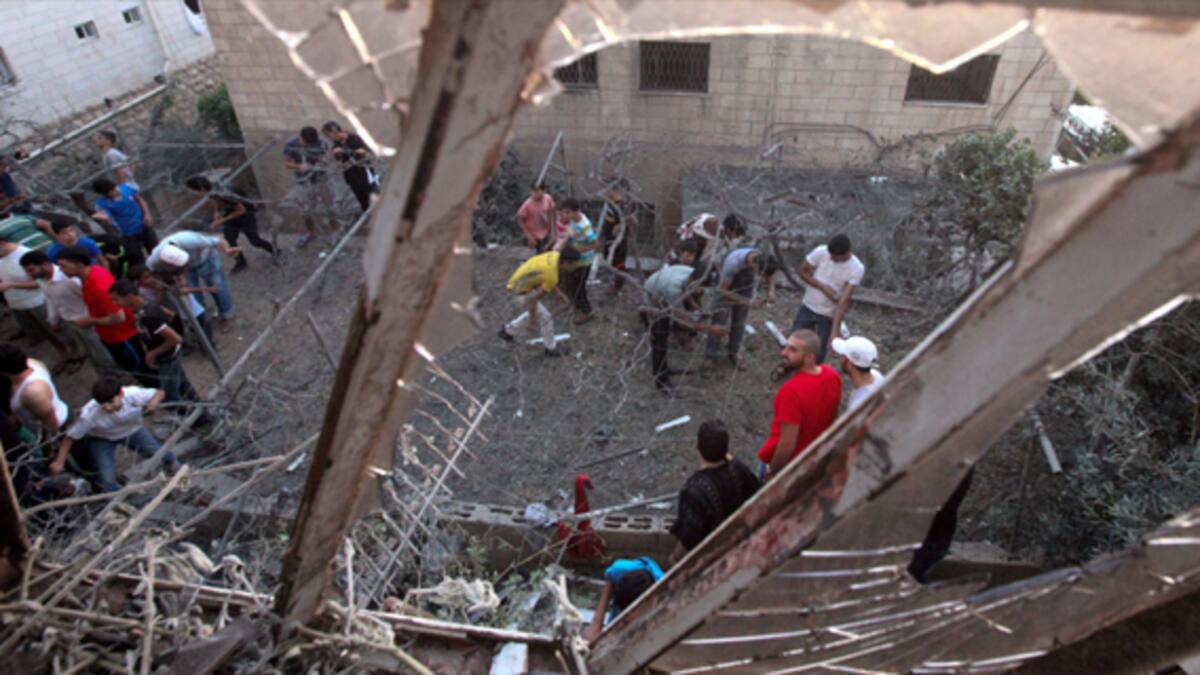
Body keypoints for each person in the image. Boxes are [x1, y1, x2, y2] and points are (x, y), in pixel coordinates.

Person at [53, 379, 177, 492]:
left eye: (111, 402)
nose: (107, 407)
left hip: (133, 431)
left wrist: (153, 403)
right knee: (107, 480)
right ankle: (122, 499)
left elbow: (159, 393)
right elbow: (70, 437)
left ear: (121, 393)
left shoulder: (132, 394)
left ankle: (176, 471)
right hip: (103, 438)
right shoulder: (89, 414)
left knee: (162, 454)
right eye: (103, 405)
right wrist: (59, 462)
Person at [110, 279, 208, 418]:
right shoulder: (145, 307)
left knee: (169, 396)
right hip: (169, 355)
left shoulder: (148, 316)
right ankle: (202, 412)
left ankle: (192, 419)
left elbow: (175, 338)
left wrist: (152, 353)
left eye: (116, 299)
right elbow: (171, 315)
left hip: (167, 358)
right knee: (183, 384)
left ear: (129, 297)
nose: (115, 303)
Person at [669, 420, 760, 563]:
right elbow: (756, 495)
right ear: (727, 449)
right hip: (739, 548)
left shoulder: (694, 491)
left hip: (711, 560)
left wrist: (674, 559)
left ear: (697, 447)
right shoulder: (738, 470)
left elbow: (688, 540)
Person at [758, 329, 842, 480]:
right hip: (813, 457)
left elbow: (787, 443)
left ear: (810, 357)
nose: (784, 353)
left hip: (790, 464)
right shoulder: (832, 375)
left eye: (793, 350)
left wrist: (773, 472)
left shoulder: (790, 391)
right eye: (786, 347)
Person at [643, 241, 723, 393]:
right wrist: (709, 329)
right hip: (652, 301)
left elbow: (687, 290)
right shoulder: (674, 289)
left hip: (660, 294)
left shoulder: (690, 271)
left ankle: (664, 368)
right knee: (659, 340)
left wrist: (696, 307)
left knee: (664, 335)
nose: (700, 291)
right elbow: (681, 320)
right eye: (700, 286)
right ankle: (661, 382)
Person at [55, 245, 144, 376]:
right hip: (111, 334)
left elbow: (119, 317)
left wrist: (89, 321)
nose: (61, 270)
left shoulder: (98, 286)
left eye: (64, 266)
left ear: (79, 264)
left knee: (138, 368)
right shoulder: (93, 272)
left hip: (121, 335)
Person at [21, 250, 112, 375]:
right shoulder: (42, 281)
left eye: (31, 270)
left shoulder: (69, 278)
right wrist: (53, 320)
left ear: (45, 265)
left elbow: (89, 298)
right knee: (91, 351)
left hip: (88, 322)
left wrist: (90, 319)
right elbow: (51, 300)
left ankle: (113, 375)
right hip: (72, 322)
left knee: (101, 351)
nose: (29, 274)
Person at [792, 234, 864, 363]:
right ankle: (792, 366)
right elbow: (803, 271)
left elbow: (844, 301)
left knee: (819, 352)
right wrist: (823, 287)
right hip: (808, 305)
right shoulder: (821, 251)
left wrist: (835, 331)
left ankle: (813, 372)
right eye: (830, 255)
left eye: (834, 257)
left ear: (846, 253)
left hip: (828, 314)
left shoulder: (857, 268)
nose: (831, 258)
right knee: (795, 341)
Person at [146, 231, 239, 331]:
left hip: (206, 259)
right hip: (187, 268)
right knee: (193, 296)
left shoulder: (190, 240)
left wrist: (227, 249)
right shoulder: (154, 260)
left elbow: (217, 240)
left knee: (218, 287)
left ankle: (227, 315)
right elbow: (149, 273)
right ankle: (201, 317)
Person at [0, 238, 72, 366]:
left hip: (37, 302)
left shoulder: (24, 255)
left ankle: (75, 355)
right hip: (18, 304)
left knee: (58, 332)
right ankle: (64, 356)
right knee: (46, 335)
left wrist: (11, 285)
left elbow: (39, 282)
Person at [498, 247, 581, 357]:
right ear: (565, 262)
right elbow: (534, 300)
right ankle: (550, 348)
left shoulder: (554, 255)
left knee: (540, 313)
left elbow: (546, 277)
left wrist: (558, 293)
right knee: (545, 316)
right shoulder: (551, 276)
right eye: (574, 264)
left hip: (519, 279)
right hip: (520, 288)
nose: (576, 267)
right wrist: (531, 320)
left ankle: (508, 331)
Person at [185, 176, 276, 273]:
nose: (193, 193)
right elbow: (216, 201)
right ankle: (241, 261)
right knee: (229, 240)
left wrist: (222, 220)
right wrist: (217, 213)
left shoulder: (225, 194)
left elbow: (241, 210)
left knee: (255, 240)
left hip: (246, 214)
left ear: (201, 189)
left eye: (194, 190)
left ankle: (275, 251)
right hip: (231, 212)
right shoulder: (211, 190)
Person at [706, 247, 779, 369]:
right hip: (725, 286)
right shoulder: (733, 263)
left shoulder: (764, 259)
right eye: (761, 275)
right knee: (719, 319)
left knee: (740, 321)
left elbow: (771, 274)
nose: (762, 278)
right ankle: (710, 356)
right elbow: (722, 290)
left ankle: (734, 352)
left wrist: (771, 291)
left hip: (746, 285)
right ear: (755, 266)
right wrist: (747, 301)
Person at [582, 556, 665, 643]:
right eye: (625, 621)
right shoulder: (619, 570)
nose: (625, 622)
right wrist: (596, 623)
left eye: (626, 622)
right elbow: (611, 577)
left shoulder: (664, 584)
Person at [283, 125, 338, 247]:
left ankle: (334, 232)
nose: (308, 145)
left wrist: (322, 163)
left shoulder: (321, 143)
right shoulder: (291, 144)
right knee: (306, 210)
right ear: (301, 137)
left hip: (322, 180)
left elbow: (328, 158)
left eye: (311, 144)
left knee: (330, 207)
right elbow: (287, 163)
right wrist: (299, 166)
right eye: (306, 143)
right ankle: (311, 233)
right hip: (304, 182)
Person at [0, 344, 69, 442]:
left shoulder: (32, 393)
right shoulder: (32, 362)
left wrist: (50, 443)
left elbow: (52, 424)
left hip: (60, 429)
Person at [92, 177, 157, 258]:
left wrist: (147, 214)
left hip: (144, 225)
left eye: (114, 188)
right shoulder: (102, 204)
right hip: (128, 234)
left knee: (155, 251)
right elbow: (105, 220)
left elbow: (141, 200)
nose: (115, 191)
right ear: (104, 194)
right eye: (111, 192)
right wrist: (106, 221)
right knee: (137, 257)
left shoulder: (127, 188)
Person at [555, 198, 596, 324]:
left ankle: (586, 311)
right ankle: (576, 306)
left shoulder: (585, 226)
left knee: (579, 288)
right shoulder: (573, 220)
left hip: (583, 262)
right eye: (563, 212)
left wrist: (578, 250)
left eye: (567, 212)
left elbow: (595, 243)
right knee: (570, 284)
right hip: (574, 260)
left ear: (576, 211)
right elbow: (570, 234)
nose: (565, 215)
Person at [321, 121, 378, 214]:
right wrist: (336, 154)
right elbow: (337, 157)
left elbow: (366, 151)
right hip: (352, 177)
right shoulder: (337, 144)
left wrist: (350, 151)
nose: (329, 138)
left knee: (373, 197)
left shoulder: (354, 138)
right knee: (363, 202)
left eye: (329, 135)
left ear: (335, 132)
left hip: (364, 173)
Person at [677, 212, 745, 283]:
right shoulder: (709, 237)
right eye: (737, 234)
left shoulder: (712, 220)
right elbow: (702, 260)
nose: (738, 237)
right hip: (686, 252)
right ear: (729, 230)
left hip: (686, 239)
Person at [599, 184, 636, 295]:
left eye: (607, 190)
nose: (605, 193)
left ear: (614, 190)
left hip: (618, 241)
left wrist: (622, 224)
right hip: (608, 239)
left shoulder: (622, 205)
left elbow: (634, 220)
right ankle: (612, 284)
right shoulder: (609, 204)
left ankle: (617, 286)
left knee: (618, 264)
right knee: (608, 260)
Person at [832, 335, 885, 410]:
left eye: (843, 355)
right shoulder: (876, 375)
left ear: (850, 365)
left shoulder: (857, 405)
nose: (840, 357)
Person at [516, 183, 555, 252]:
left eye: (537, 191)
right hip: (533, 235)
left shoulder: (548, 198)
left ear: (543, 191)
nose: (534, 193)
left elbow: (551, 213)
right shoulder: (527, 204)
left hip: (546, 233)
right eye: (532, 191)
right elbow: (519, 219)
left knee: (547, 253)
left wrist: (552, 232)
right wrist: (529, 236)